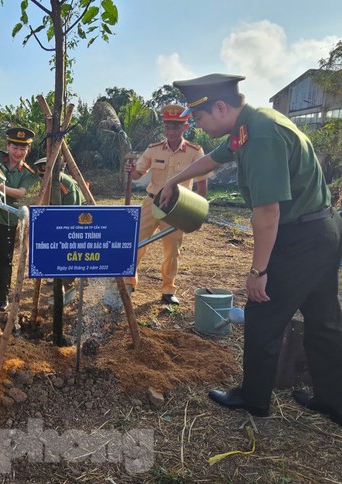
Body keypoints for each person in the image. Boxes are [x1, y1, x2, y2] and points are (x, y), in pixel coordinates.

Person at [158, 73, 342, 426]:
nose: (197, 126)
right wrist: (173, 180)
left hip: (301, 236)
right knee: (324, 321)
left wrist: (257, 272)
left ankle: (254, 398)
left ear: (221, 107)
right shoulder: (249, 127)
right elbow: (213, 158)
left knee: (262, 313)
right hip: (323, 229)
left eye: (199, 119)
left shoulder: (259, 137)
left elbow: (267, 213)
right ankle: (334, 400)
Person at [124, 104, 208, 305]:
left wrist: (199, 211)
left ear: (185, 127)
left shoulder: (195, 152)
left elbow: (202, 184)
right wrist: (131, 170)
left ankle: (168, 290)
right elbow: (138, 174)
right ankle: (128, 282)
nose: (171, 131)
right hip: (151, 203)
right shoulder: (153, 150)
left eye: (176, 127)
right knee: (136, 243)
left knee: (172, 250)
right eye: (168, 127)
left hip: (177, 208)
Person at [0, 127, 38, 311]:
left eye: (23, 149)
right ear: (8, 146)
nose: (18, 153)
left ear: (27, 150)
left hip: (8, 218)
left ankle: (3, 298)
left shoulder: (27, 173)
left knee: (5, 258)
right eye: (15, 148)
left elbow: (20, 193)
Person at [34, 157, 86, 305]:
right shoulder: (45, 181)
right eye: (41, 175)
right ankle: (57, 278)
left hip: (78, 220)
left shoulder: (64, 183)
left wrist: (61, 228)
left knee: (68, 251)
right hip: (57, 219)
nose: (43, 178)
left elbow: (73, 210)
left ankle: (68, 288)